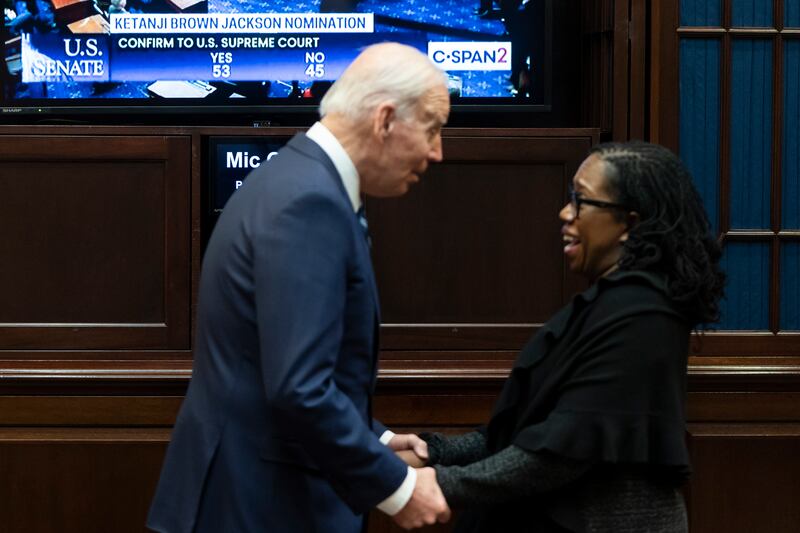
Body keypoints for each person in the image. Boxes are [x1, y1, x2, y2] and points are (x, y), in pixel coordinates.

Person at [146, 42, 452, 533]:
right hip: (261, 508)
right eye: (434, 130)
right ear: (386, 119)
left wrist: (375, 439)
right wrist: (395, 488)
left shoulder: (294, 178)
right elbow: (298, 389)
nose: (437, 152)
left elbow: (272, 370)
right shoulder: (311, 202)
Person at [400, 141, 725, 532]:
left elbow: (561, 452)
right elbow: (526, 433)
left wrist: (440, 484)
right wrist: (434, 452)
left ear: (630, 224)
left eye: (581, 201)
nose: (565, 213)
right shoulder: (607, 304)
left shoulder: (646, 316)